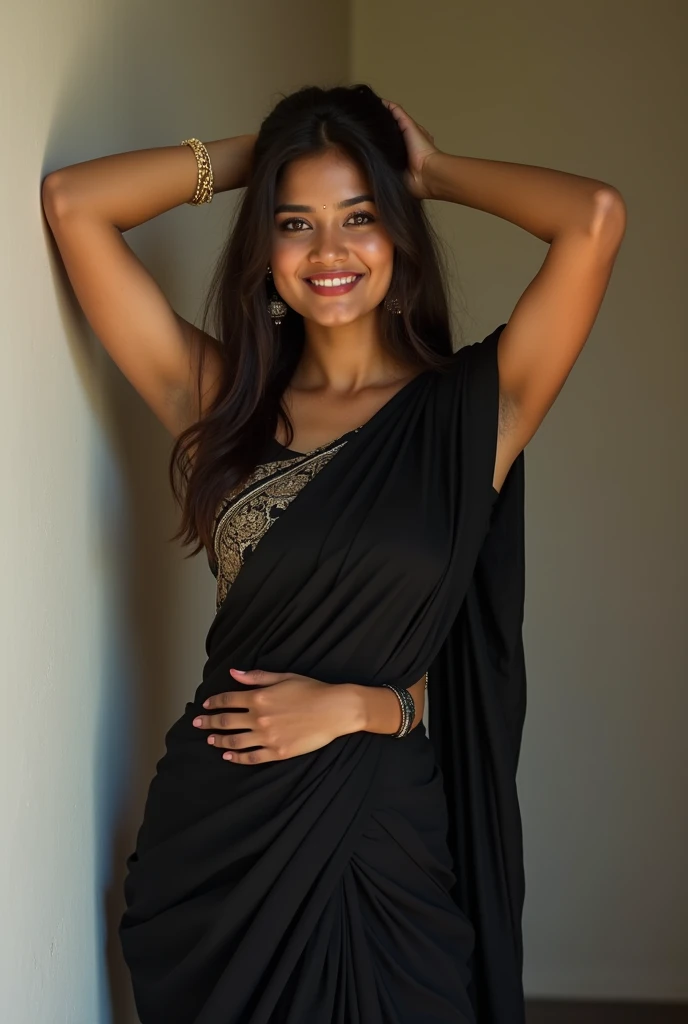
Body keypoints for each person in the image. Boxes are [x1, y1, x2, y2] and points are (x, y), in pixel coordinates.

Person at [41, 83, 626, 1024]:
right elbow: (76, 204)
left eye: (360, 216)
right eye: (295, 223)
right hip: (222, 843)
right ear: (263, 247)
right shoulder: (220, 404)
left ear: (399, 228)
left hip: (381, 836)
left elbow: (594, 220)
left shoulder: (473, 413)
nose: (329, 252)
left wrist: (431, 170)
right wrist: (261, 151)